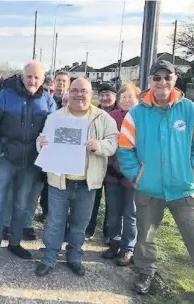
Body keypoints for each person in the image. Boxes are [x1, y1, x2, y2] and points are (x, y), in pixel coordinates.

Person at [118, 60, 194, 295]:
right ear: (150, 81)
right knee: (146, 236)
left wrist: (193, 169)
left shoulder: (190, 110)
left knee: (193, 233)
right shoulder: (135, 114)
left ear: (174, 80)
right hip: (148, 188)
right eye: (157, 78)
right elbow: (124, 150)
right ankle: (145, 272)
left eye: (167, 77)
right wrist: (137, 176)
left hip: (183, 187)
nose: (162, 82)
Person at [35, 78, 119, 277]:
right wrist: (42, 143)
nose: (79, 94)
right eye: (74, 90)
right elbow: (41, 138)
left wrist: (97, 146)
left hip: (87, 183)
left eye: (84, 91)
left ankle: (74, 257)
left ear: (91, 94)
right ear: (68, 93)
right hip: (60, 181)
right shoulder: (55, 116)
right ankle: (49, 257)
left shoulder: (102, 118)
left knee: (79, 223)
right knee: (55, 221)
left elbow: (113, 142)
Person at [0, 60, 56, 267]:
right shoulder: (5, 96)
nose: (32, 80)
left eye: (37, 77)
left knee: (22, 205)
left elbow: (53, 131)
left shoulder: (48, 101)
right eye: (29, 76)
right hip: (5, 159)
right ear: (22, 76)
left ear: (42, 79)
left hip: (30, 162)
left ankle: (15, 242)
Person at [102, 82, 140, 266]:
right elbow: (106, 141)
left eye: (130, 97)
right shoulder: (111, 117)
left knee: (130, 213)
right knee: (113, 211)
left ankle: (128, 248)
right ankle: (114, 243)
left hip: (133, 175)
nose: (126, 100)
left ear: (137, 99)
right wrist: (111, 165)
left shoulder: (141, 117)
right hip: (112, 174)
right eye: (123, 97)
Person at [86, 82, 119, 242]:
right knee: (93, 198)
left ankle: (108, 233)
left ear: (115, 96)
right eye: (103, 95)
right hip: (96, 162)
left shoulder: (121, 114)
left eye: (109, 95)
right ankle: (88, 229)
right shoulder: (93, 113)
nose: (105, 98)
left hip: (114, 165)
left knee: (112, 203)